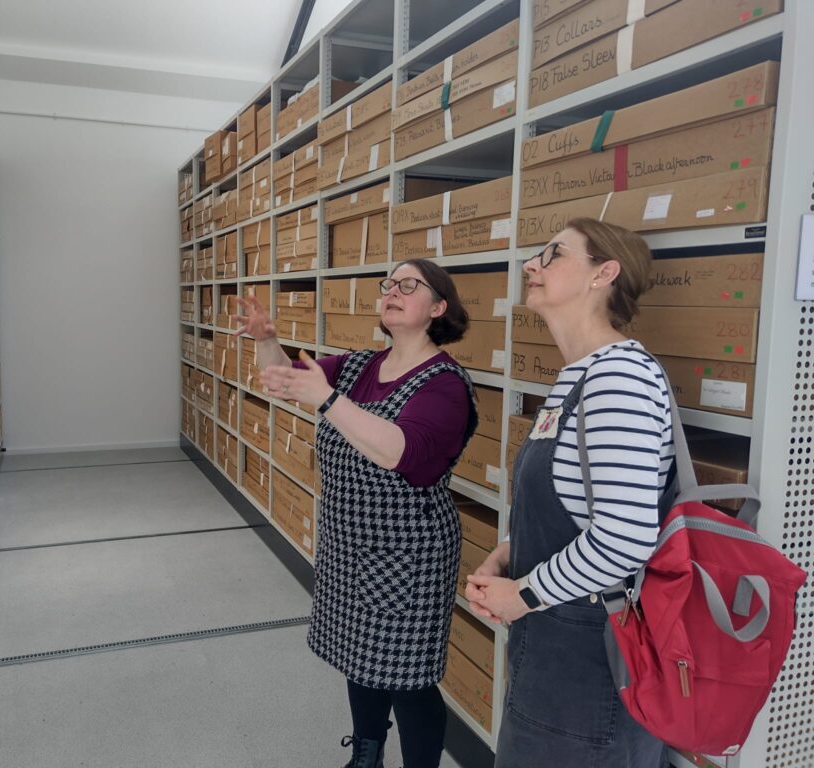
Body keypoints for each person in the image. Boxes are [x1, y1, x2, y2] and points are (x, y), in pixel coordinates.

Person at [234, 259, 479, 768]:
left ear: (438, 308)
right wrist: (265, 338)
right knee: (360, 660)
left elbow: (399, 451)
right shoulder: (358, 365)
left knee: (408, 678)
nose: (392, 290)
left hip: (409, 555)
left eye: (409, 285)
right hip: (349, 541)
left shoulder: (445, 383)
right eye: (388, 283)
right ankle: (366, 755)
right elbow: (283, 381)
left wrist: (328, 399)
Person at [465, 218, 674, 767]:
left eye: (552, 254)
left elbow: (625, 541)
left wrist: (522, 595)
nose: (530, 266)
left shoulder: (620, 379)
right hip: (554, 647)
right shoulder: (581, 376)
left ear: (603, 273)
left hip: (589, 663)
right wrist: (510, 550)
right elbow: (574, 501)